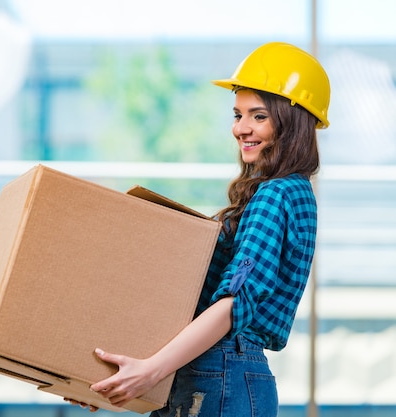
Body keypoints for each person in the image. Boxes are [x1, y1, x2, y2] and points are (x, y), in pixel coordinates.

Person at [65, 42, 330, 416]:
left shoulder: (277, 194)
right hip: (214, 372)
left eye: (258, 116)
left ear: (293, 122)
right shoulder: (283, 193)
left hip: (222, 371)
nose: (241, 128)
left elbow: (233, 304)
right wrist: (108, 378)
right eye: (237, 115)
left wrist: (150, 371)